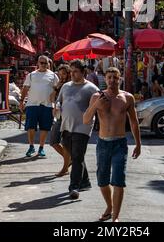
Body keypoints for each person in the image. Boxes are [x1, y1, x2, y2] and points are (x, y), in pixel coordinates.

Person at [83, 67, 141, 223]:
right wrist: (96, 105)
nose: (112, 80)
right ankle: (109, 207)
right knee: (102, 180)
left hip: (120, 144)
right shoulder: (96, 96)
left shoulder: (127, 97)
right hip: (102, 144)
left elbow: (134, 122)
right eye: (109, 77)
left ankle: (116, 217)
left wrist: (138, 144)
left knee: (118, 180)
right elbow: (86, 119)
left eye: (115, 78)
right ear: (105, 79)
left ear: (120, 79)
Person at [56, 59, 99, 199]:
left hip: (83, 127)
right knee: (75, 156)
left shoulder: (91, 88)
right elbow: (58, 101)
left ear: (83, 72)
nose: (72, 74)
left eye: (75, 72)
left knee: (77, 155)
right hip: (66, 125)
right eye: (71, 71)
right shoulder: (66, 86)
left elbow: (99, 106)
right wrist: (56, 107)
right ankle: (85, 181)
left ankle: (74, 187)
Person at [20, 55, 58, 158]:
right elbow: (25, 88)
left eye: (45, 63)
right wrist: (21, 101)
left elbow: (57, 88)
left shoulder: (53, 76)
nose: (43, 65)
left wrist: (54, 94)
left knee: (44, 127)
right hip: (32, 104)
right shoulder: (31, 75)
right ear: (38, 63)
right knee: (30, 127)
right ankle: (31, 146)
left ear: (48, 64)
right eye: (41, 63)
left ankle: (41, 148)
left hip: (47, 105)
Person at [50, 64, 71, 176]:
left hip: (67, 117)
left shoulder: (71, 85)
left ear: (68, 74)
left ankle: (65, 167)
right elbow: (51, 98)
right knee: (53, 141)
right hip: (59, 116)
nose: (61, 76)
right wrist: (56, 87)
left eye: (63, 73)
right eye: (60, 74)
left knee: (65, 142)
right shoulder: (60, 85)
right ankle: (70, 160)